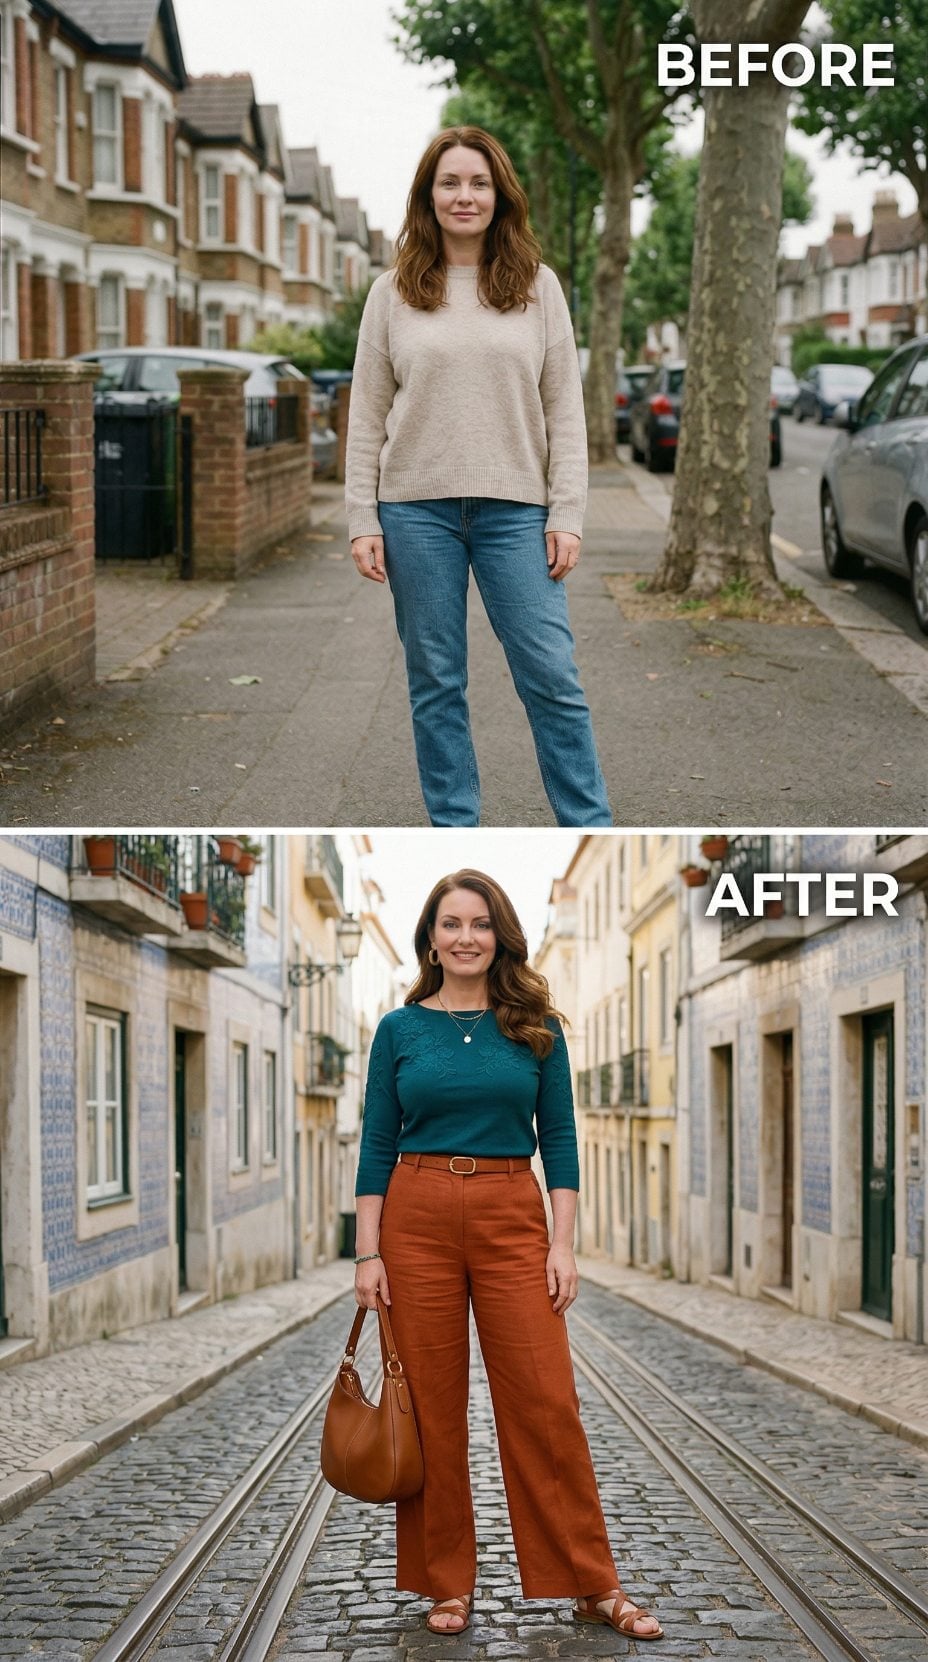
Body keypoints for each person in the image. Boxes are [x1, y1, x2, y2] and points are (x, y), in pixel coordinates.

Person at [353, 869, 663, 1641]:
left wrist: (563, 1244)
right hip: (415, 1215)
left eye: (480, 923)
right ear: (430, 936)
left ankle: (592, 1584)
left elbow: (558, 1139)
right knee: (429, 1409)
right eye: (451, 923)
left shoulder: (536, 1026)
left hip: (509, 1214)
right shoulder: (398, 1030)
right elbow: (375, 1144)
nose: (465, 937)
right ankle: (444, 1581)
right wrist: (368, 1254)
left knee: (547, 1401)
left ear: (500, 936)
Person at [345, 126, 611, 829]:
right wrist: (362, 520)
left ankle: (588, 825)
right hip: (414, 512)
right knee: (436, 684)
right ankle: (452, 826)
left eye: (478, 183)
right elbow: (366, 415)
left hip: (517, 512)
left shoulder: (538, 288)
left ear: (501, 195)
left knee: (552, 676)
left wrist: (568, 512)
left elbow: (566, 409)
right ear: (428, 196)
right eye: (450, 183)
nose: (465, 196)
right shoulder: (392, 293)